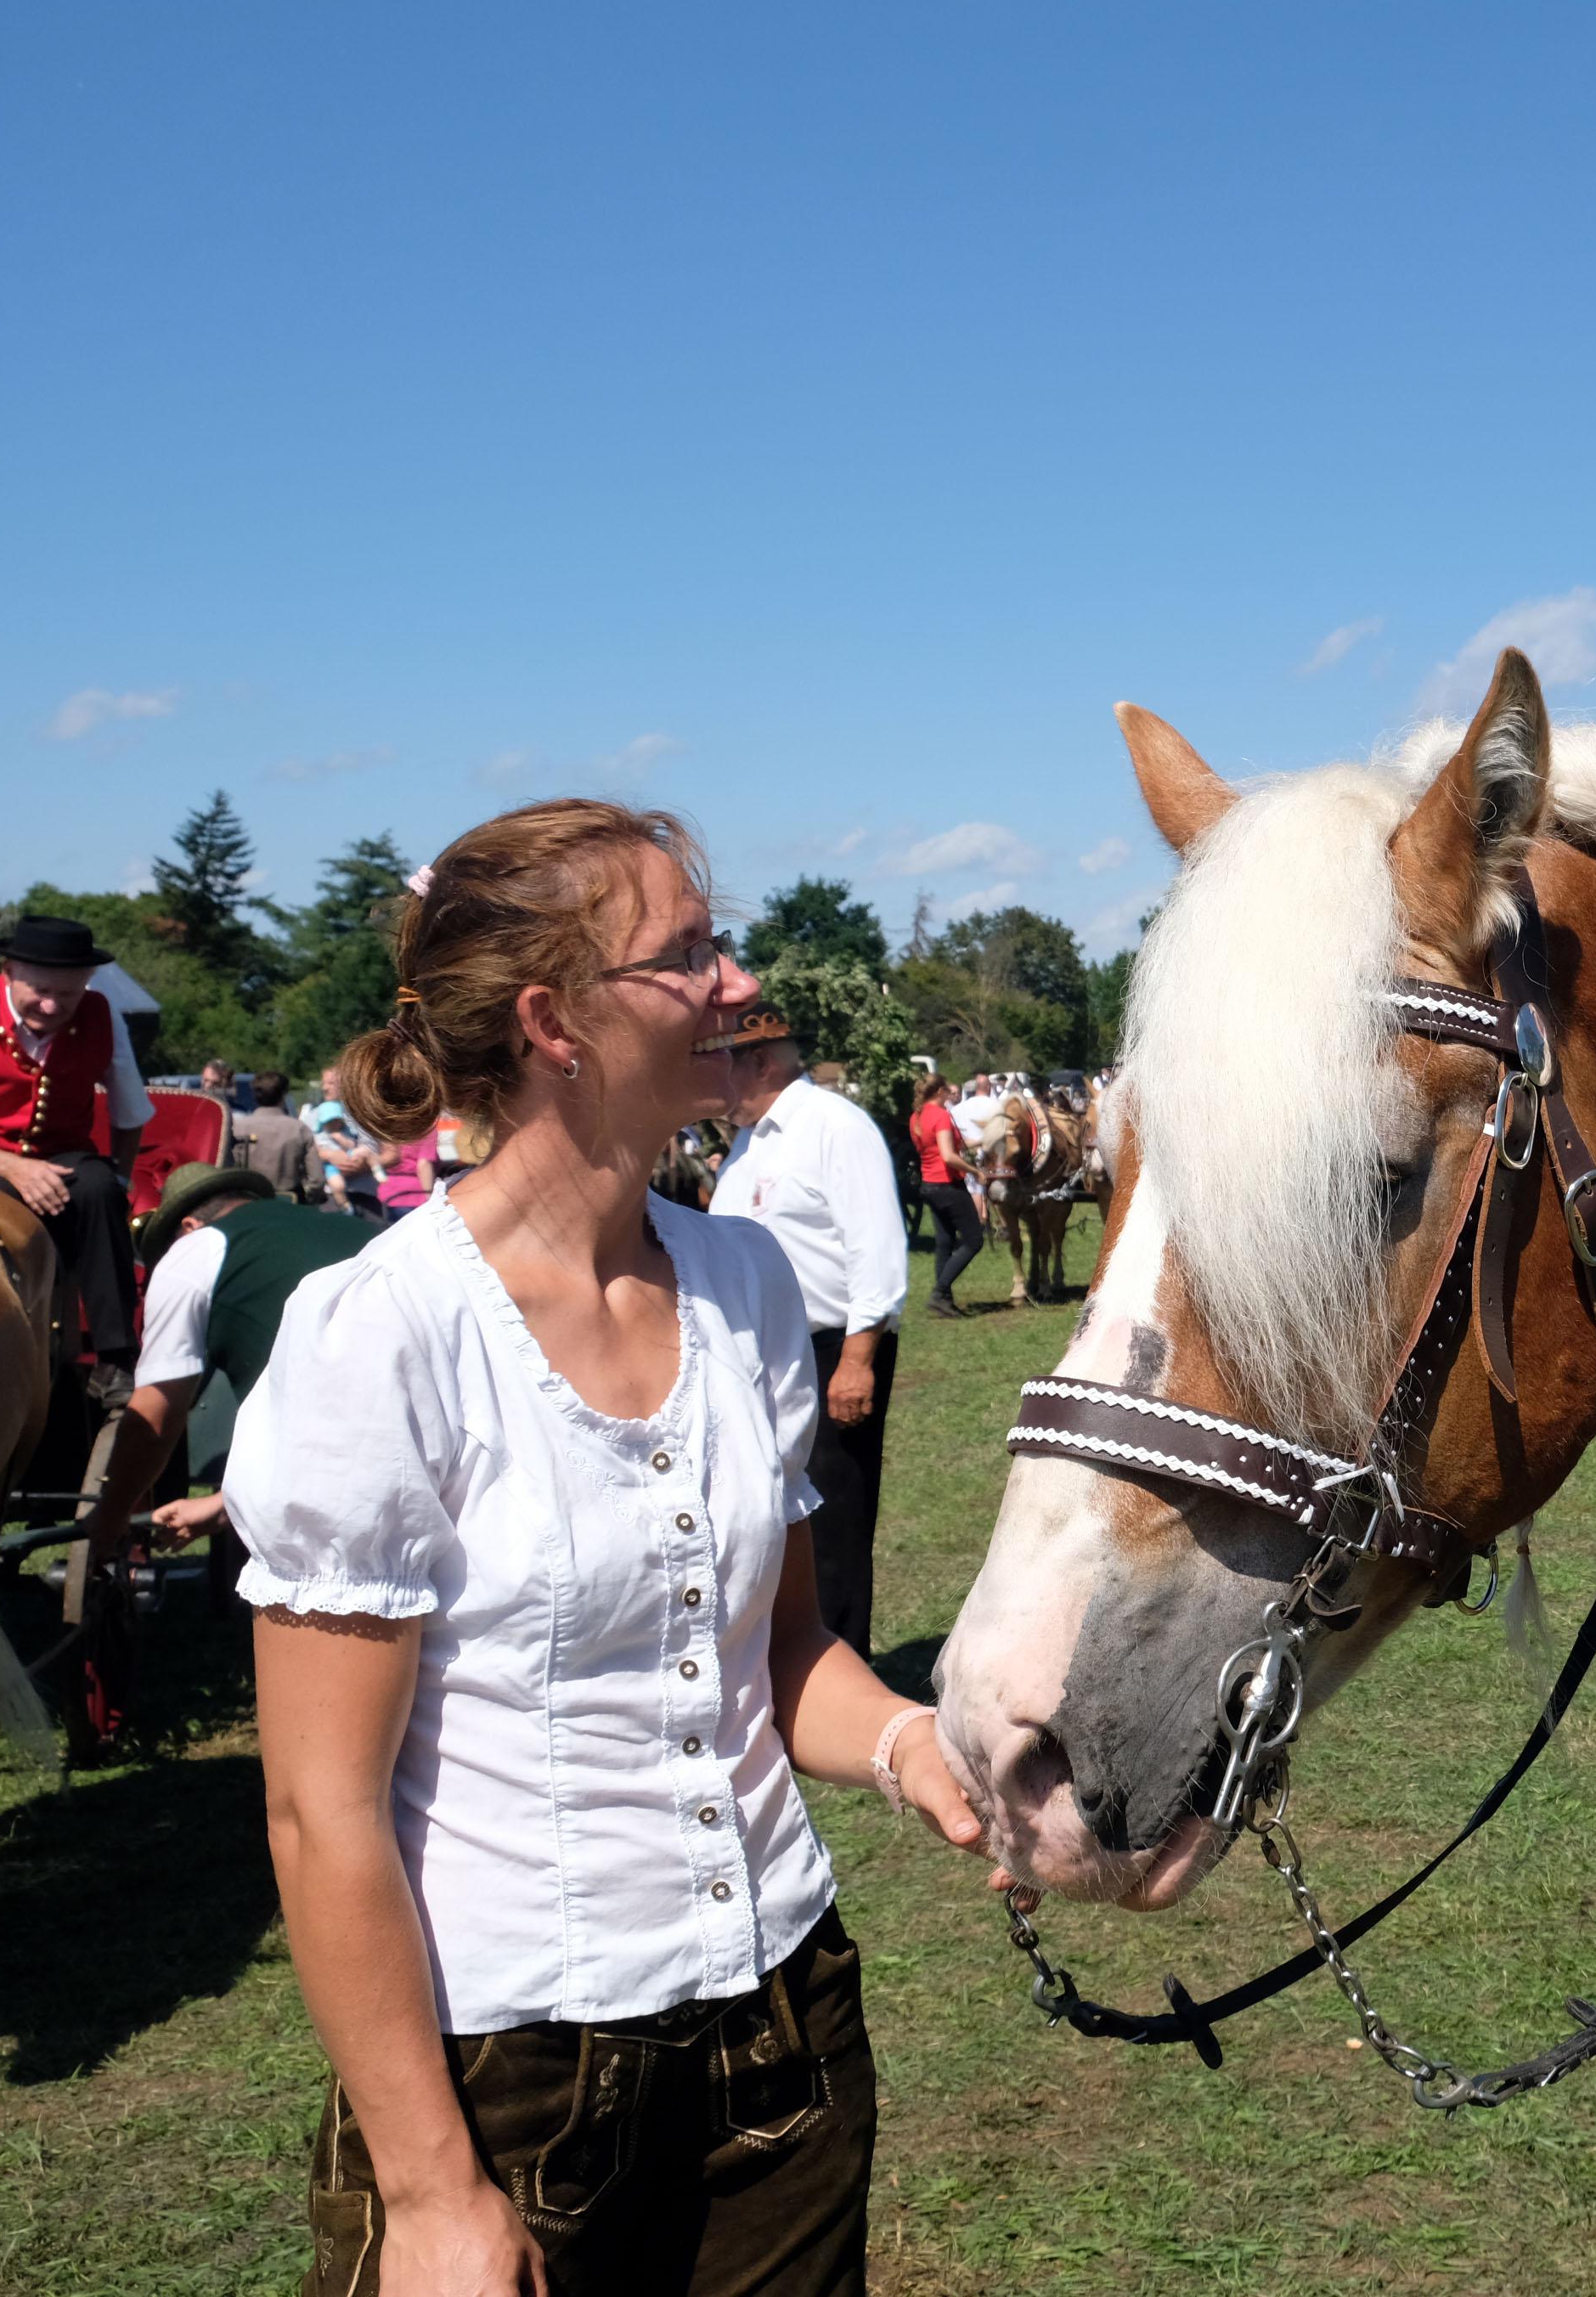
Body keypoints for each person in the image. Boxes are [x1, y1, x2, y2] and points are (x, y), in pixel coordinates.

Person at [226, 798, 986, 2296]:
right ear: (552, 1019)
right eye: (686, 953)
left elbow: (781, 1653)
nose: (732, 984)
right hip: (510, 2075)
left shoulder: (746, 1280)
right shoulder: (385, 1331)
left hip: (785, 2028)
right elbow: (323, 1809)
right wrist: (433, 2186)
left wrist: (910, 1742)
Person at [711, 1009, 910, 1657]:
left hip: (827, 1352)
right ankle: (784, 1655)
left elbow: (874, 1249)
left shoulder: (833, 1127)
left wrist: (858, 1362)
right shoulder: (749, 1142)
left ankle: (842, 1660)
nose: (715, 1074)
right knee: (770, 1513)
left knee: (834, 1523)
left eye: (725, 1057)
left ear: (762, 1060)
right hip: (755, 1354)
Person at [79, 1162, 377, 1561]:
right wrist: (224, 1505)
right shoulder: (357, 1228)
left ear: (187, 1227)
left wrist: (111, 1516)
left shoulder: (197, 1247)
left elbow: (155, 1414)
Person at [0, 915, 155, 1386]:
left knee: (98, 1191)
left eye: (67, 995)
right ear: (8, 971)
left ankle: (115, 1357)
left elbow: (130, 1114)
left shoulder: (100, 1012)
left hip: (65, 1154)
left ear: (86, 983)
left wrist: (122, 1180)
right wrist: (17, 1169)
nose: (51, 1005)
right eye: (40, 991)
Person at [907, 1073, 982, 1319]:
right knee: (973, 1241)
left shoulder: (916, 1117)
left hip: (929, 1184)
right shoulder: (940, 1116)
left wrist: (985, 1138)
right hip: (948, 1185)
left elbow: (946, 1147)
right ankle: (939, 1293)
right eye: (948, 1091)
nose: (951, 1094)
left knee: (945, 1242)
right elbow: (948, 1156)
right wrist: (975, 1172)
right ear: (939, 1092)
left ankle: (945, 1300)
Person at [232, 1068, 323, 1204]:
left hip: (248, 1203)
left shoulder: (238, 1128)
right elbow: (316, 1179)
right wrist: (312, 1200)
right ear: (283, 1095)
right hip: (290, 1203)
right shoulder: (299, 1129)